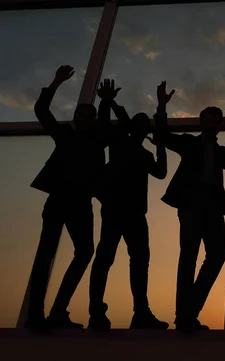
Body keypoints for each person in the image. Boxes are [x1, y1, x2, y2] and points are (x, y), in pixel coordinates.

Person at [26, 66, 113, 332]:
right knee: (46, 254)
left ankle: (56, 312)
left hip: (80, 203)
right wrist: (56, 82)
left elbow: (105, 127)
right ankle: (37, 315)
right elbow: (42, 111)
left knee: (84, 252)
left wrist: (106, 102)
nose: (85, 118)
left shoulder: (98, 140)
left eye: (90, 115)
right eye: (81, 114)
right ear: (76, 118)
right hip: (60, 201)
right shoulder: (66, 135)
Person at [154, 82, 225, 332]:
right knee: (188, 256)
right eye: (208, 120)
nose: (212, 124)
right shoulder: (190, 143)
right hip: (191, 204)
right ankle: (184, 315)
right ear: (202, 124)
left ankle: (189, 311)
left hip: (211, 205)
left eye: (216, 121)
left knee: (217, 256)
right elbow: (164, 137)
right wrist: (161, 107)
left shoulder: (220, 150)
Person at [88, 79, 169, 331]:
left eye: (146, 125)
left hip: (132, 212)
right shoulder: (121, 142)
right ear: (134, 127)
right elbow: (106, 124)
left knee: (135, 260)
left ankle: (139, 312)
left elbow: (161, 172)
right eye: (141, 124)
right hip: (117, 209)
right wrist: (107, 102)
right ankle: (99, 312)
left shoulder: (141, 153)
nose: (143, 128)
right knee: (108, 258)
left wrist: (161, 146)